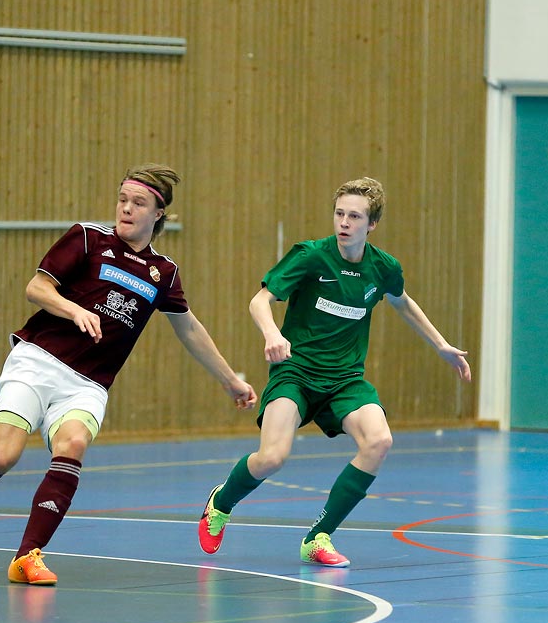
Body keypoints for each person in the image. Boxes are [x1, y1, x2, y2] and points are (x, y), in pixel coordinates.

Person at [0, 164, 257, 585]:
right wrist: (75, 309)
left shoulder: (162, 273)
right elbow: (37, 288)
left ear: (158, 215)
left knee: (73, 443)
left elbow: (189, 328)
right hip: (37, 359)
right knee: (3, 456)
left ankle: (27, 557)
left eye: (139, 203)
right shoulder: (87, 239)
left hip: (88, 383)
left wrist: (230, 380)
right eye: (122, 200)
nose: (127, 209)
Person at [195, 177, 471, 568]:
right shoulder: (311, 256)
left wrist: (440, 344)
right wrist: (272, 332)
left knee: (379, 441)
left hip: (345, 380)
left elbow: (402, 302)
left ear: (371, 224)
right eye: (340, 213)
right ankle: (221, 502)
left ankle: (318, 536)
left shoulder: (383, 268)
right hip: (296, 374)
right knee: (272, 457)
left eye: (354, 216)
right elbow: (260, 300)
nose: (344, 222)